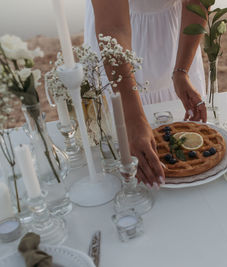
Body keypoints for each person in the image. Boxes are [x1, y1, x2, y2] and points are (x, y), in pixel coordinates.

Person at [85, 0, 208, 187]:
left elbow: (196, 2)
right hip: (119, 48)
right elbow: (113, 26)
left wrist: (182, 71)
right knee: (121, 157)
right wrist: (133, 118)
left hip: (177, 38)